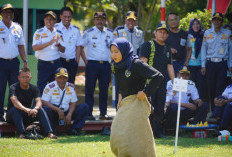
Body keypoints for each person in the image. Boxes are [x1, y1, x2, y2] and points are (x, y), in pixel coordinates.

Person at [110, 38, 163, 157]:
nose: (114, 55)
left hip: (138, 103)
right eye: (112, 51)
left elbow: (158, 76)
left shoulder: (136, 63)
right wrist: (120, 98)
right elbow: (120, 84)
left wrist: (145, 92)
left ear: (124, 50)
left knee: (136, 138)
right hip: (126, 103)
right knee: (117, 134)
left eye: (117, 51)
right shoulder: (116, 66)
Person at [140, 23, 175, 138]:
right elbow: (143, 63)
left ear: (167, 35)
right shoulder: (147, 45)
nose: (162, 34)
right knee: (148, 108)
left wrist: (175, 82)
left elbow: (169, 66)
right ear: (155, 33)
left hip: (162, 83)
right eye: (160, 31)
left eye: (165, 32)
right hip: (149, 82)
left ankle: (157, 132)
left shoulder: (167, 48)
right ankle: (146, 133)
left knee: (160, 108)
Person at [81, 12, 115, 120]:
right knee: (89, 89)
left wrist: (113, 62)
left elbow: (115, 49)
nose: (100, 21)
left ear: (105, 21)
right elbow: (80, 46)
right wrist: (86, 61)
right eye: (97, 19)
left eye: (102, 19)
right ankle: (88, 113)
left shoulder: (110, 33)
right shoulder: (89, 32)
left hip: (105, 65)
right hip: (92, 64)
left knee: (104, 90)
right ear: (94, 21)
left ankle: (103, 113)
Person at [6, 68, 57, 139]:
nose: (25, 79)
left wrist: (35, 109)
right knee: (15, 109)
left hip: (27, 113)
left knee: (41, 110)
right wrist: (26, 109)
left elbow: (39, 101)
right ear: (19, 78)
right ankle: (22, 133)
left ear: (30, 78)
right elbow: (15, 101)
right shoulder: (13, 87)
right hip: (12, 115)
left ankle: (49, 133)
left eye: (27, 77)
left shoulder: (34, 88)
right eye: (23, 77)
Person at [0, 4, 28, 122]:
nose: (8, 14)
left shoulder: (17, 27)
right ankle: (0, 114)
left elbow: (21, 45)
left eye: (10, 12)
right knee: (0, 89)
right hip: (1, 62)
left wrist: (25, 61)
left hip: (14, 63)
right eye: (6, 12)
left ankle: (11, 115)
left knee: (14, 90)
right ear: (1, 14)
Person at [42, 67, 89, 135]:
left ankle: (75, 129)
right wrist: (58, 110)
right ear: (55, 78)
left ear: (67, 78)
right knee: (45, 109)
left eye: (64, 78)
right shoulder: (49, 87)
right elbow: (44, 102)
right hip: (54, 113)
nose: (62, 80)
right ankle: (51, 130)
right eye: (59, 78)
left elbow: (74, 102)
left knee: (85, 107)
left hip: (67, 112)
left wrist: (70, 114)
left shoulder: (71, 87)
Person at [201, 12, 232, 111]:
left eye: (219, 19)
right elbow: (203, 49)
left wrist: (230, 64)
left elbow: (230, 50)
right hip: (210, 63)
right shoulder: (207, 33)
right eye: (215, 19)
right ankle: (211, 110)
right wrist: (203, 65)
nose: (217, 21)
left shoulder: (227, 33)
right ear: (212, 21)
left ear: (222, 21)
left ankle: (217, 113)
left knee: (220, 87)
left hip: (222, 63)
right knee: (210, 87)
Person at [113, 11, 144, 108]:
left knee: (132, 86)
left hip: (133, 64)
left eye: (133, 20)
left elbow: (141, 48)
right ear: (126, 20)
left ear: (135, 21)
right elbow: (114, 47)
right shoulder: (119, 31)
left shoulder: (139, 32)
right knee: (119, 87)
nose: (131, 22)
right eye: (129, 20)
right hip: (120, 64)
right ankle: (117, 108)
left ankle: (131, 108)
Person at [32, 11, 65, 93]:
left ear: (55, 21)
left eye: (51, 19)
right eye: (47, 19)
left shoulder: (59, 33)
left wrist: (59, 45)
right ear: (44, 20)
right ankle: (37, 105)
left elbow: (63, 50)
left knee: (55, 88)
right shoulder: (39, 32)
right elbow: (35, 47)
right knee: (41, 86)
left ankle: (52, 106)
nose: (49, 21)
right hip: (44, 64)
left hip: (56, 64)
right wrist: (49, 43)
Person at [55, 7, 87, 84]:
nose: (67, 19)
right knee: (58, 85)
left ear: (71, 17)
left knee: (70, 85)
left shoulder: (75, 30)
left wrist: (77, 62)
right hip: (59, 61)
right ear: (60, 16)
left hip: (72, 62)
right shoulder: (55, 28)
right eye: (65, 16)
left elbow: (78, 46)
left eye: (69, 17)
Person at [185, 18, 206, 100]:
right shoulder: (187, 36)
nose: (196, 26)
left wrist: (204, 65)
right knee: (190, 87)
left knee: (200, 87)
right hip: (190, 65)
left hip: (201, 66)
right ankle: (191, 107)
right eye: (193, 24)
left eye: (197, 24)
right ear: (191, 26)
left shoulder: (203, 35)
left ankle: (200, 107)